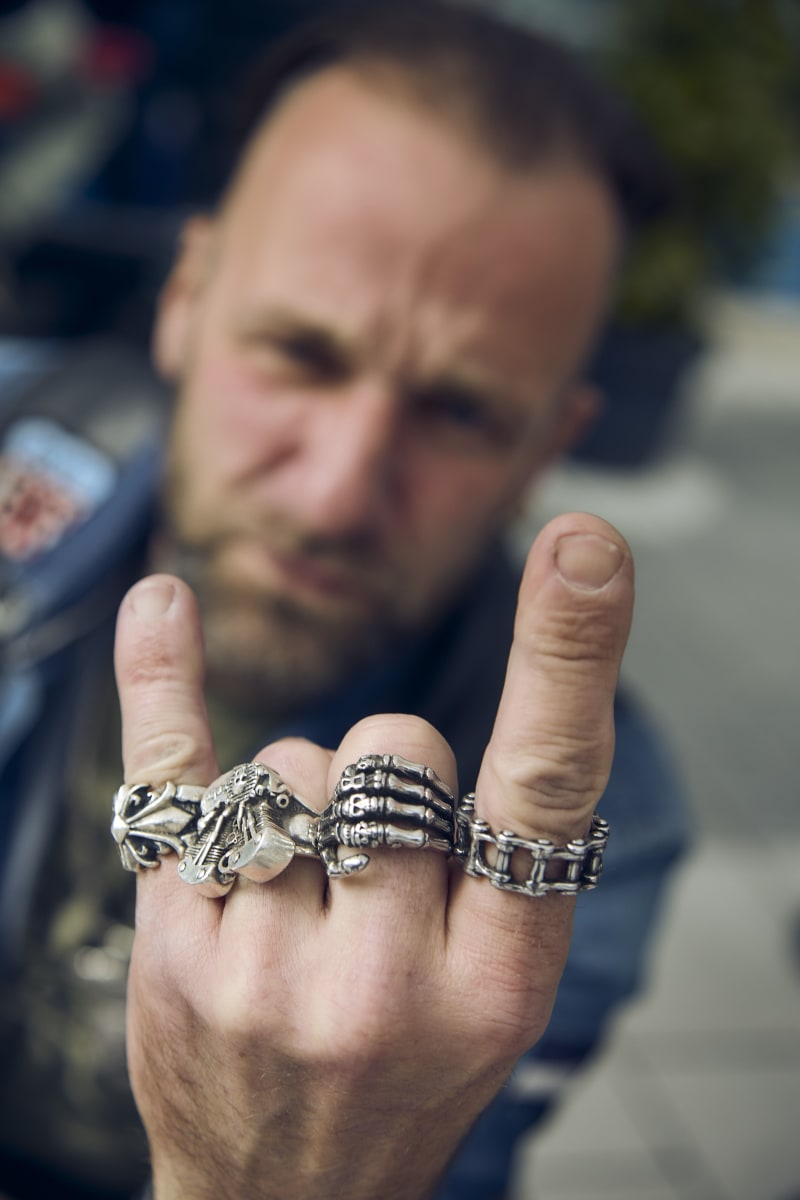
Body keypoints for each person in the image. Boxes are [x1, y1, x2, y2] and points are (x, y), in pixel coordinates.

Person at [0, 3, 689, 1198]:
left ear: (546, 448)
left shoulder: (590, 826)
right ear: (184, 300)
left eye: (459, 412)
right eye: (300, 354)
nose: (333, 489)